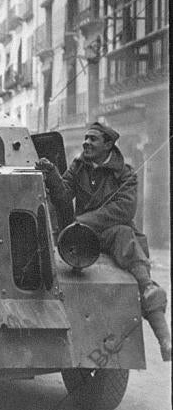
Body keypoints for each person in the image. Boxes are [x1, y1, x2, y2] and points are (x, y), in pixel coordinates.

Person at [36, 121, 171, 362]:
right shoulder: (79, 166)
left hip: (111, 233)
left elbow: (123, 209)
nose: (86, 142)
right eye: (85, 138)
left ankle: (164, 337)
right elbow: (64, 196)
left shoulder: (125, 174)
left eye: (93, 139)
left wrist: (82, 221)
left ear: (108, 145)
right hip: (84, 236)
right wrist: (53, 176)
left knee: (127, 243)